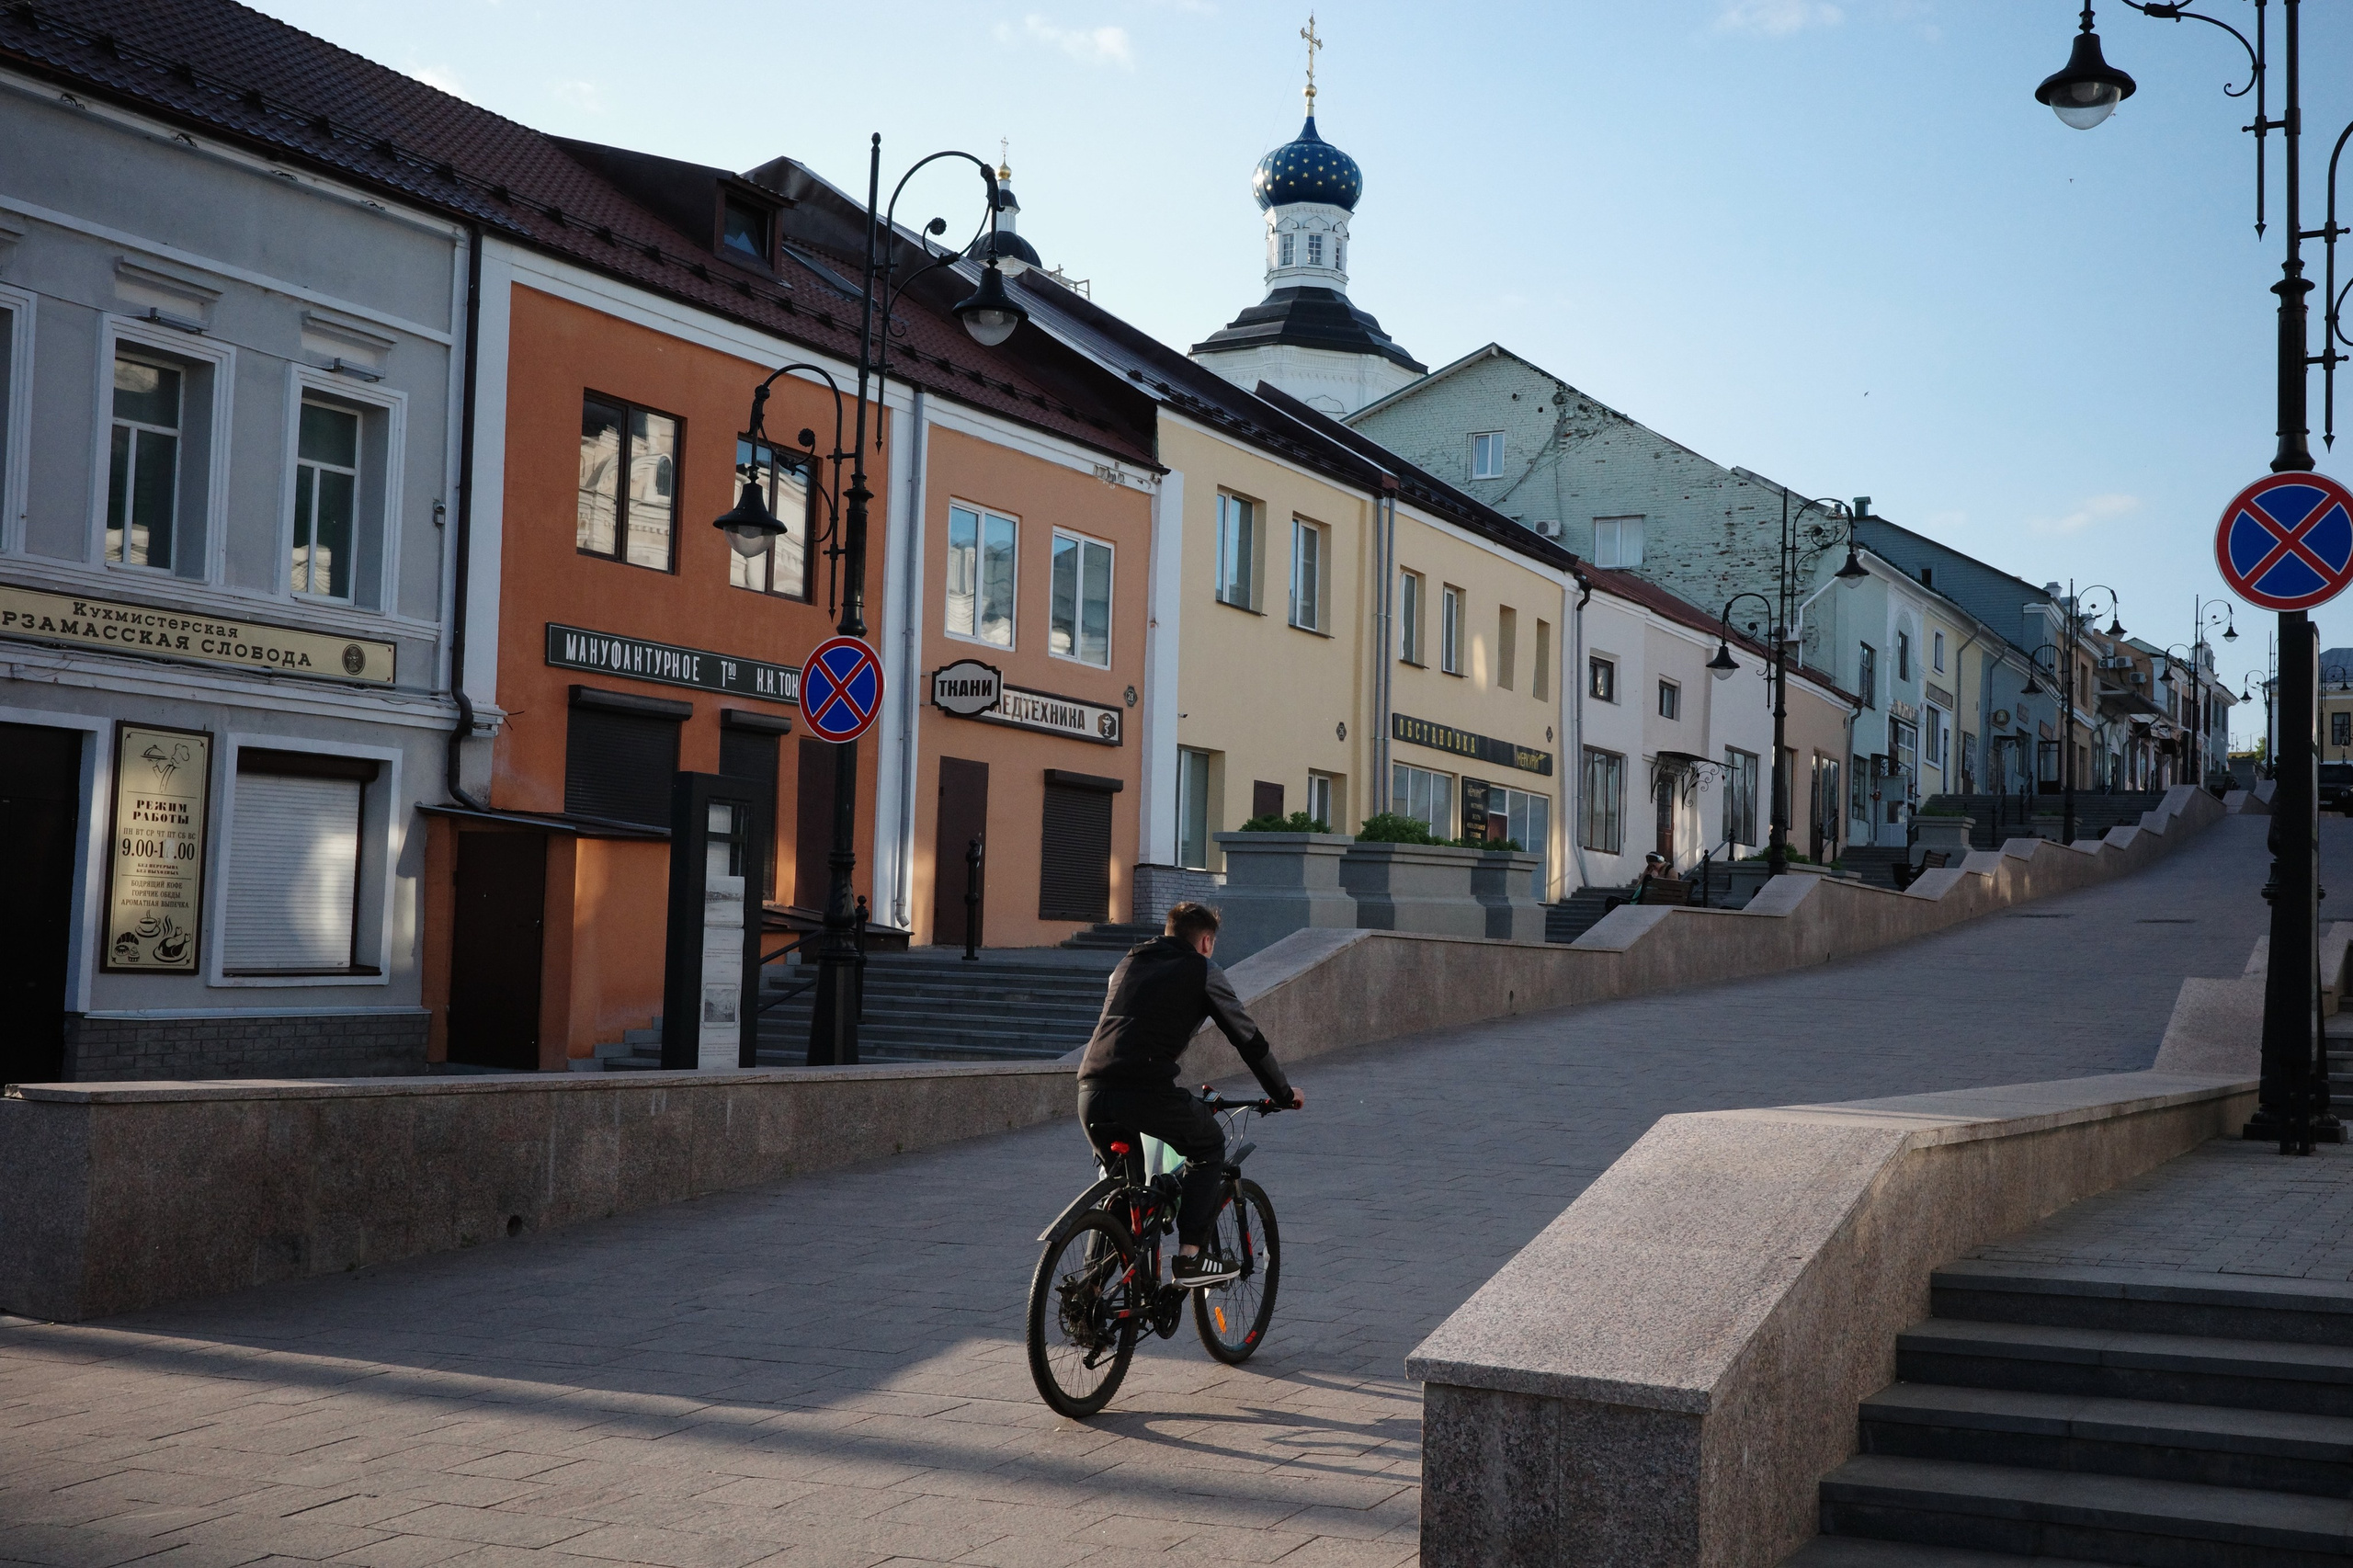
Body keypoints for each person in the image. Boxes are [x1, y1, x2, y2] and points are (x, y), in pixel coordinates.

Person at [1074, 902, 1304, 1286]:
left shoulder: (1127, 964)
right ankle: (1190, 1258)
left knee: (1120, 1188)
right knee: (1209, 1144)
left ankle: (1090, 1291)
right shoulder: (1203, 970)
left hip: (1090, 1090)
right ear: (1206, 941)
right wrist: (1282, 1093)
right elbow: (1247, 1038)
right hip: (1145, 1090)